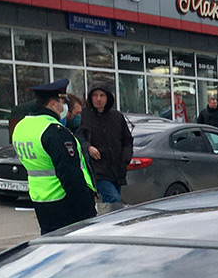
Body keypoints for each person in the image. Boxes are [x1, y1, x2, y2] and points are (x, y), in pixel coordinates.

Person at [12, 78, 98, 234]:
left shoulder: (21, 127)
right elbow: (70, 175)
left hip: (41, 200)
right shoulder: (55, 131)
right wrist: (88, 213)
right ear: (53, 104)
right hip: (65, 201)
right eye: (62, 101)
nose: (64, 106)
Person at [82, 80, 134, 211]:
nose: (98, 99)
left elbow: (127, 140)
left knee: (111, 205)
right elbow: (78, 137)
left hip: (117, 169)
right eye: (95, 95)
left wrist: (125, 159)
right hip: (98, 169)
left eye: (102, 95)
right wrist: (88, 147)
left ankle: (111, 227)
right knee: (113, 200)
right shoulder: (84, 116)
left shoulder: (116, 116)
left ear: (108, 97)